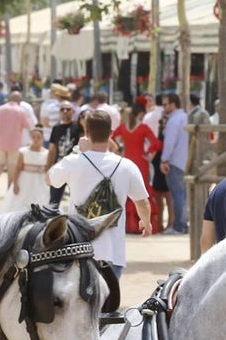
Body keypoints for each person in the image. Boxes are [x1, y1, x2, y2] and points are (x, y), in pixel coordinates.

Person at [47, 111, 152, 277]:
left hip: (78, 249)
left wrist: (77, 151)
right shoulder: (127, 166)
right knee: (109, 294)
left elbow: (49, 179)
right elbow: (143, 202)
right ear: (111, 134)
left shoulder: (74, 161)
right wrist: (146, 223)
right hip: (113, 252)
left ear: (86, 133)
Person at [114, 102, 162, 233]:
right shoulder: (143, 127)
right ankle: (144, 223)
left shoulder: (123, 127)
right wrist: (149, 155)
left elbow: (111, 137)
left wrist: (118, 150)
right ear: (140, 114)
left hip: (126, 160)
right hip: (141, 162)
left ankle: (128, 225)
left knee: (126, 192)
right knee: (141, 192)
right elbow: (156, 143)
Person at [0, 91, 35, 197]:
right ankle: (9, 188)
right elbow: (28, 126)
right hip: (15, 142)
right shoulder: (21, 111)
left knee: (1, 164)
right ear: (19, 100)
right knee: (12, 165)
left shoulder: (0, 109)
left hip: (1, 141)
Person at [159, 93, 190, 235]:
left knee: (177, 195)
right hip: (184, 160)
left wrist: (164, 159)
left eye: (165, 104)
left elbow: (169, 143)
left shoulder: (173, 120)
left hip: (174, 161)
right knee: (182, 195)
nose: (163, 107)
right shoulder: (184, 117)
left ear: (173, 104)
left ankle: (179, 226)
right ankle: (182, 224)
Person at [3, 127, 51, 212]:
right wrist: (15, 184)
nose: (36, 139)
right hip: (25, 180)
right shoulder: (24, 151)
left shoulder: (46, 153)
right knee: (22, 200)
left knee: (41, 200)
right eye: (34, 137)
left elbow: (47, 169)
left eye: (39, 137)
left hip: (40, 181)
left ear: (43, 138)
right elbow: (18, 168)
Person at [47, 99, 83, 207]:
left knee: (78, 201)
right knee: (53, 202)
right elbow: (52, 149)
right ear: (59, 112)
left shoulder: (79, 127)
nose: (65, 111)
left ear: (73, 111)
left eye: (68, 109)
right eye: (62, 109)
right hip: (59, 167)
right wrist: (48, 167)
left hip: (75, 168)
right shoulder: (56, 128)